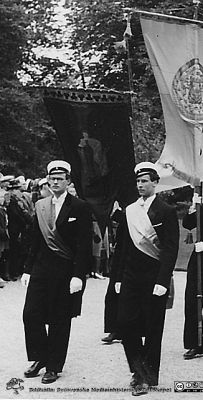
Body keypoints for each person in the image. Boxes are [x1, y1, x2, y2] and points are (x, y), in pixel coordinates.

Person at [21, 160, 92, 384]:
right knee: (31, 314)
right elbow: (35, 240)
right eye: (52, 178)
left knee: (59, 319)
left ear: (68, 181)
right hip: (41, 268)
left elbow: (83, 245)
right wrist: (27, 270)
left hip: (65, 270)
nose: (55, 181)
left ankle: (53, 365)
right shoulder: (40, 205)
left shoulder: (79, 207)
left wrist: (79, 275)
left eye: (60, 178)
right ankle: (40, 357)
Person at [115, 162, 179, 396]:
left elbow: (170, 249)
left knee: (153, 327)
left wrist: (163, 281)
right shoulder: (130, 210)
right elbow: (122, 247)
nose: (140, 185)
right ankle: (139, 371)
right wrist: (118, 278)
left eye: (144, 181)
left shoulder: (166, 210)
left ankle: (147, 375)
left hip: (154, 277)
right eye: (138, 181)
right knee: (124, 323)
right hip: (130, 275)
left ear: (155, 183)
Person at [182, 192, 203, 359]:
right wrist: (192, 208)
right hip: (199, 256)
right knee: (192, 298)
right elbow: (188, 224)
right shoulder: (199, 204)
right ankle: (194, 342)